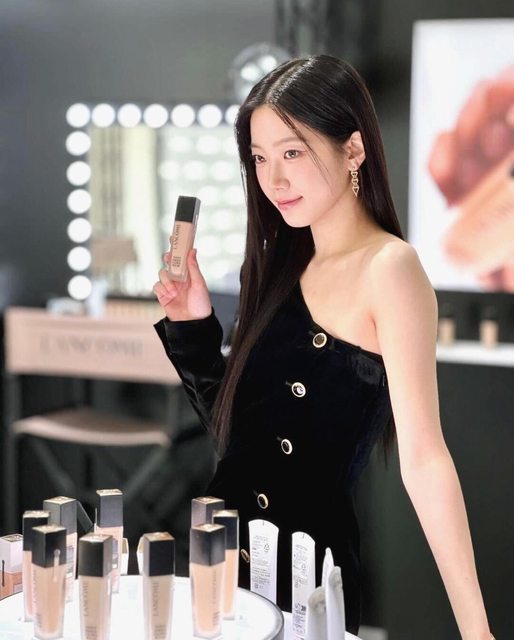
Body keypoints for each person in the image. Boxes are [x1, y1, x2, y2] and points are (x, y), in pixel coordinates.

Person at [153, 54, 493, 638]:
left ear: (353, 149)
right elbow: (238, 439)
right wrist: (191, 325)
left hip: (304, 579)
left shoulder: (390, 268)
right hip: (221, 561)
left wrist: (476, 630)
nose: (274, 180)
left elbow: (425, 459)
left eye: (292, 152)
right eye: (260, 158)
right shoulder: (276, 264)